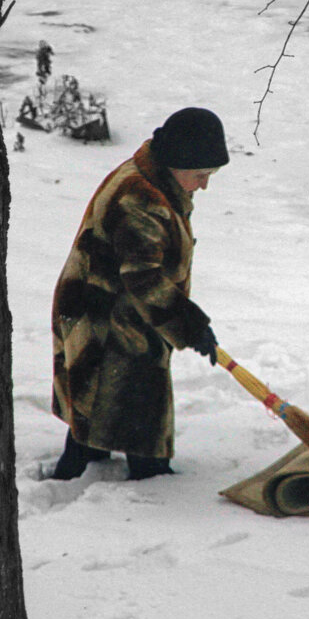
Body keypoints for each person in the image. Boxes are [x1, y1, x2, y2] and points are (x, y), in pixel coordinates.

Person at [48, 107, 228, 481]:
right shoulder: (139, 199)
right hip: (105, 315)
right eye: (201, 175)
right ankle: (145, 483)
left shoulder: (157, 180)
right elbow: (143, 277)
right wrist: (190, 324)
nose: (205, 185)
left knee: (101, 400)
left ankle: (83, 461)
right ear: (179, 162)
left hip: (118, 308)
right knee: (129, 397)